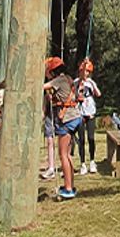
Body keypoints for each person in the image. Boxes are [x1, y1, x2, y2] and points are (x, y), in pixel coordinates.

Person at [44, 56, 82, 199]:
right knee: (68, 154)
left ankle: (68, 188)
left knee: (63, 154)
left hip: (67, 120)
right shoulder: (68, 79)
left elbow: (42, 87)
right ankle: (70, 184)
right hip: (75, 117)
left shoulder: (58, 80)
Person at [74, 58, 101, 175]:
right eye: (83, 71)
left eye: (87, 72)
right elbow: (73, 93)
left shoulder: (90, 82)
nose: (85, 73)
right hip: (80, 113)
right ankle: (83, 163)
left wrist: (92, 85)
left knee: (91, 138)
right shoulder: (76, 82)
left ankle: (92, 161)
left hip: (90, 112)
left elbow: (98, 94)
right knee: (81, 139)